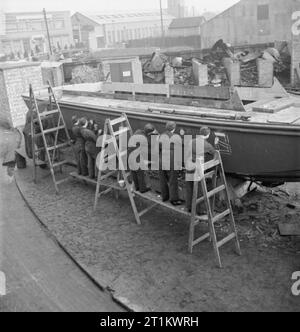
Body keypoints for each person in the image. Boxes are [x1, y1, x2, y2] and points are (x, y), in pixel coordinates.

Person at [185, 127, 217, 213]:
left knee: (189, 187)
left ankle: (189, 207)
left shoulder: (191, 141)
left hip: (189, 165)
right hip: (197, 167)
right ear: (207, 135)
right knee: (199, 189)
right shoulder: (207, 145)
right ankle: (199, 210)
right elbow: (214, 153)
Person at [158, 121, 183, 206]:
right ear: (174, 128)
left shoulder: (161, 135)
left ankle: (164, 197)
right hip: (172, 160)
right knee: (173, 180)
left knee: (163, 179)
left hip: (161, 159)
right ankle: (174, 200)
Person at [130, 124, 157, 193]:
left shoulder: (138, 131)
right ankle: (142, 189)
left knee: (133, 171)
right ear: (149, 133)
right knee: (140, 172)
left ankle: (137, 187)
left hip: (129, 153)